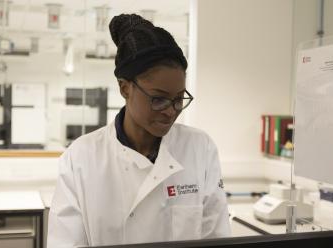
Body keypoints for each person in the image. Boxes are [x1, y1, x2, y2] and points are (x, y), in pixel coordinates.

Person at [47, 13, 231, 248]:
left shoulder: (199, 148)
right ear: (125, 88)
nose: (171, 111)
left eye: (178, 99)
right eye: (159, 99)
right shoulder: (81, 158)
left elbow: (216, 238)